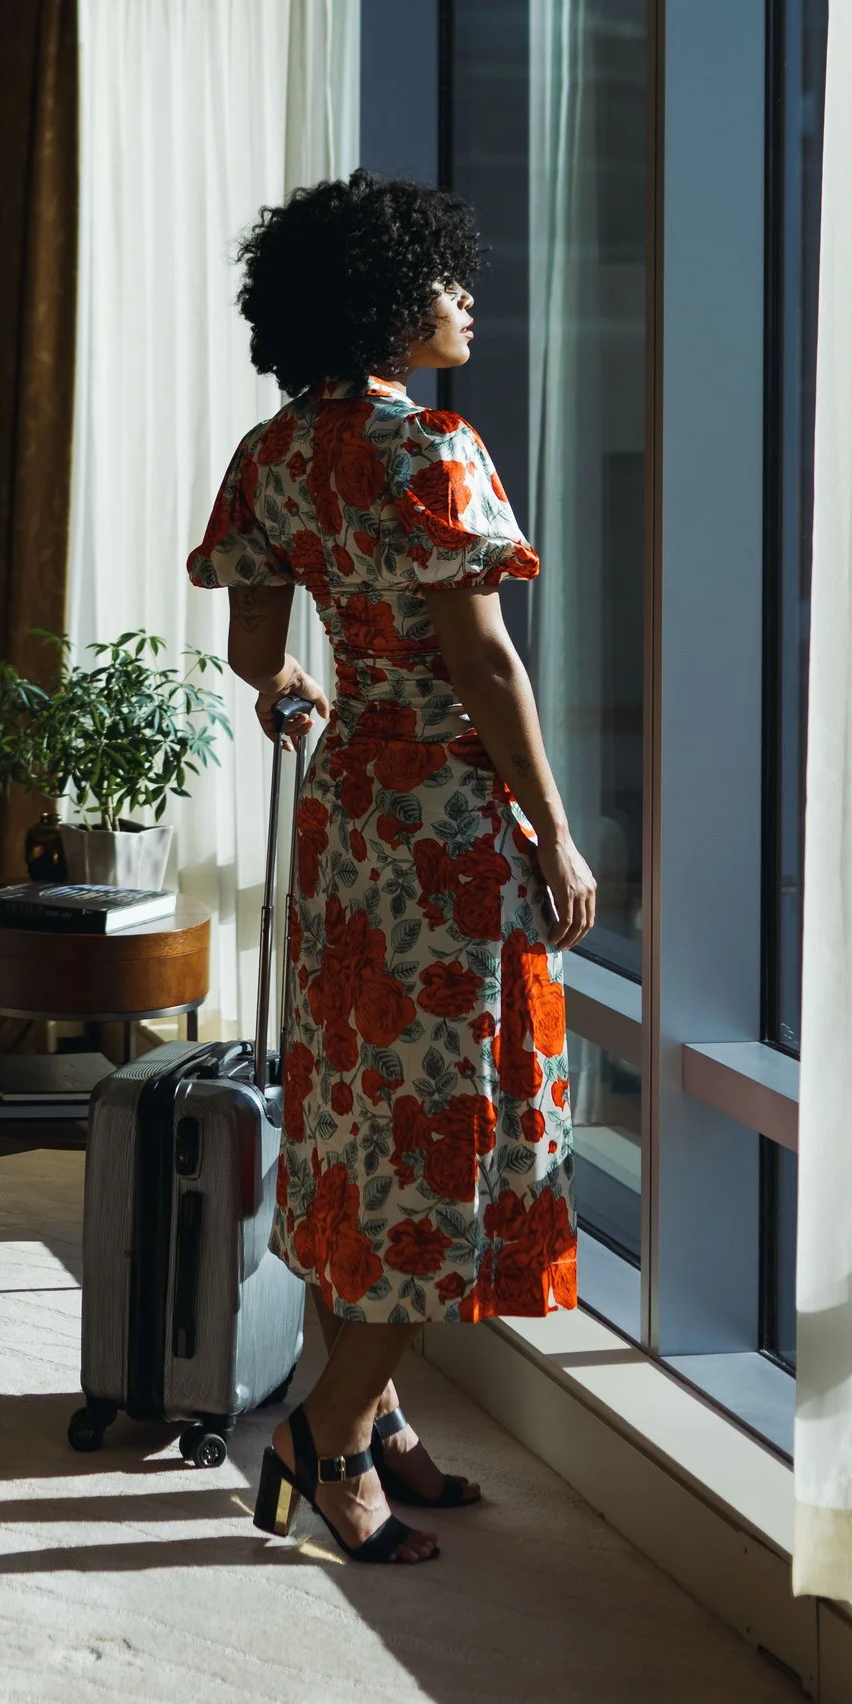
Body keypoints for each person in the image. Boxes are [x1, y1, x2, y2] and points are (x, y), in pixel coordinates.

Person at [187, 170, 596, 1568]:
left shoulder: (273, 451)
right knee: (446, 1136)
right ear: (383, 299)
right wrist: (553, 817)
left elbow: (256, 652)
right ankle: (329, 1436)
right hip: (440, 831)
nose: (466, 296)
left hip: (348, 813)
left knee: (362, 1113)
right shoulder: (431, 451)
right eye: (443, 276)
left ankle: (383, 1420)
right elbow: (482, 659)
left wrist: (307, 696)